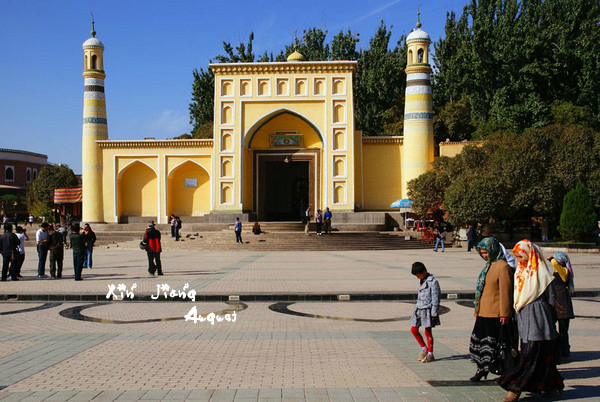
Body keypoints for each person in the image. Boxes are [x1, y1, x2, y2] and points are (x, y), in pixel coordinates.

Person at [497, 240, 564, 401]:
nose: (519, 260)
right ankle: (550, 385)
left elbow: (551, 299)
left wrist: (548, 318)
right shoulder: (520, 273)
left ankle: (515, 389)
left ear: (530, 255)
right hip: (524, 318)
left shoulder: (542, 274)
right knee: (537, 354)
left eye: (521, 256)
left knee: (532, 355)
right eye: (517, 257)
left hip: (539, 320)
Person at [468, 237, 513, 382]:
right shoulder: (488, 265)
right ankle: (481, 369)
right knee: (479, 342)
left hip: (495, 313)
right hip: (483, 312)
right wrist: (477, 308)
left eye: (486, 252)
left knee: (493, 345)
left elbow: (506, 292)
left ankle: (502, 371)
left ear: (493, 249)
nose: (484, 255)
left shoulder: (503, 267)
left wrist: (505, 313)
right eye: (482, 253)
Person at [409, 261, 441, 363]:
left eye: (418, 275)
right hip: (419, 308)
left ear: (424, 271)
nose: (417, 277)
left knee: (428, 331)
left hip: (428, 310)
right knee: (414, 329)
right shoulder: (421, 280)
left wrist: (434, 313)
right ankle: (424, 348)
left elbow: (436, 299)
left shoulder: (433, 282)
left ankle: (430, 354)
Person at [548, 252, 575, 361]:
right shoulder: (557, 271)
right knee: (551, 326)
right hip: (556, 304)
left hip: (563, 305)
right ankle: (556, 350)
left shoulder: (564, 271)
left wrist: (551, 259)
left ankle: (564, 353)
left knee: (563, 330)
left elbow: (555, 264)